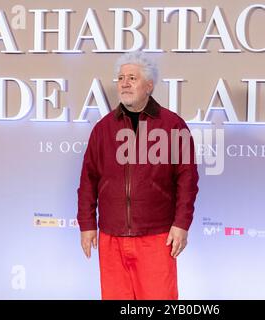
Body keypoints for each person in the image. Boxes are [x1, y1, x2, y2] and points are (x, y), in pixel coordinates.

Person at [76, 51, 199, 300]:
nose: (124, 83)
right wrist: (87, 224)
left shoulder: (172, 125)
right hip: (111, 237)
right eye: (121, 78)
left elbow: (187, 179)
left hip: (156, 237)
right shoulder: (103, 128)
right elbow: (88, 179)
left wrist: (181, 224)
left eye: (132, 77)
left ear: (149, 85)